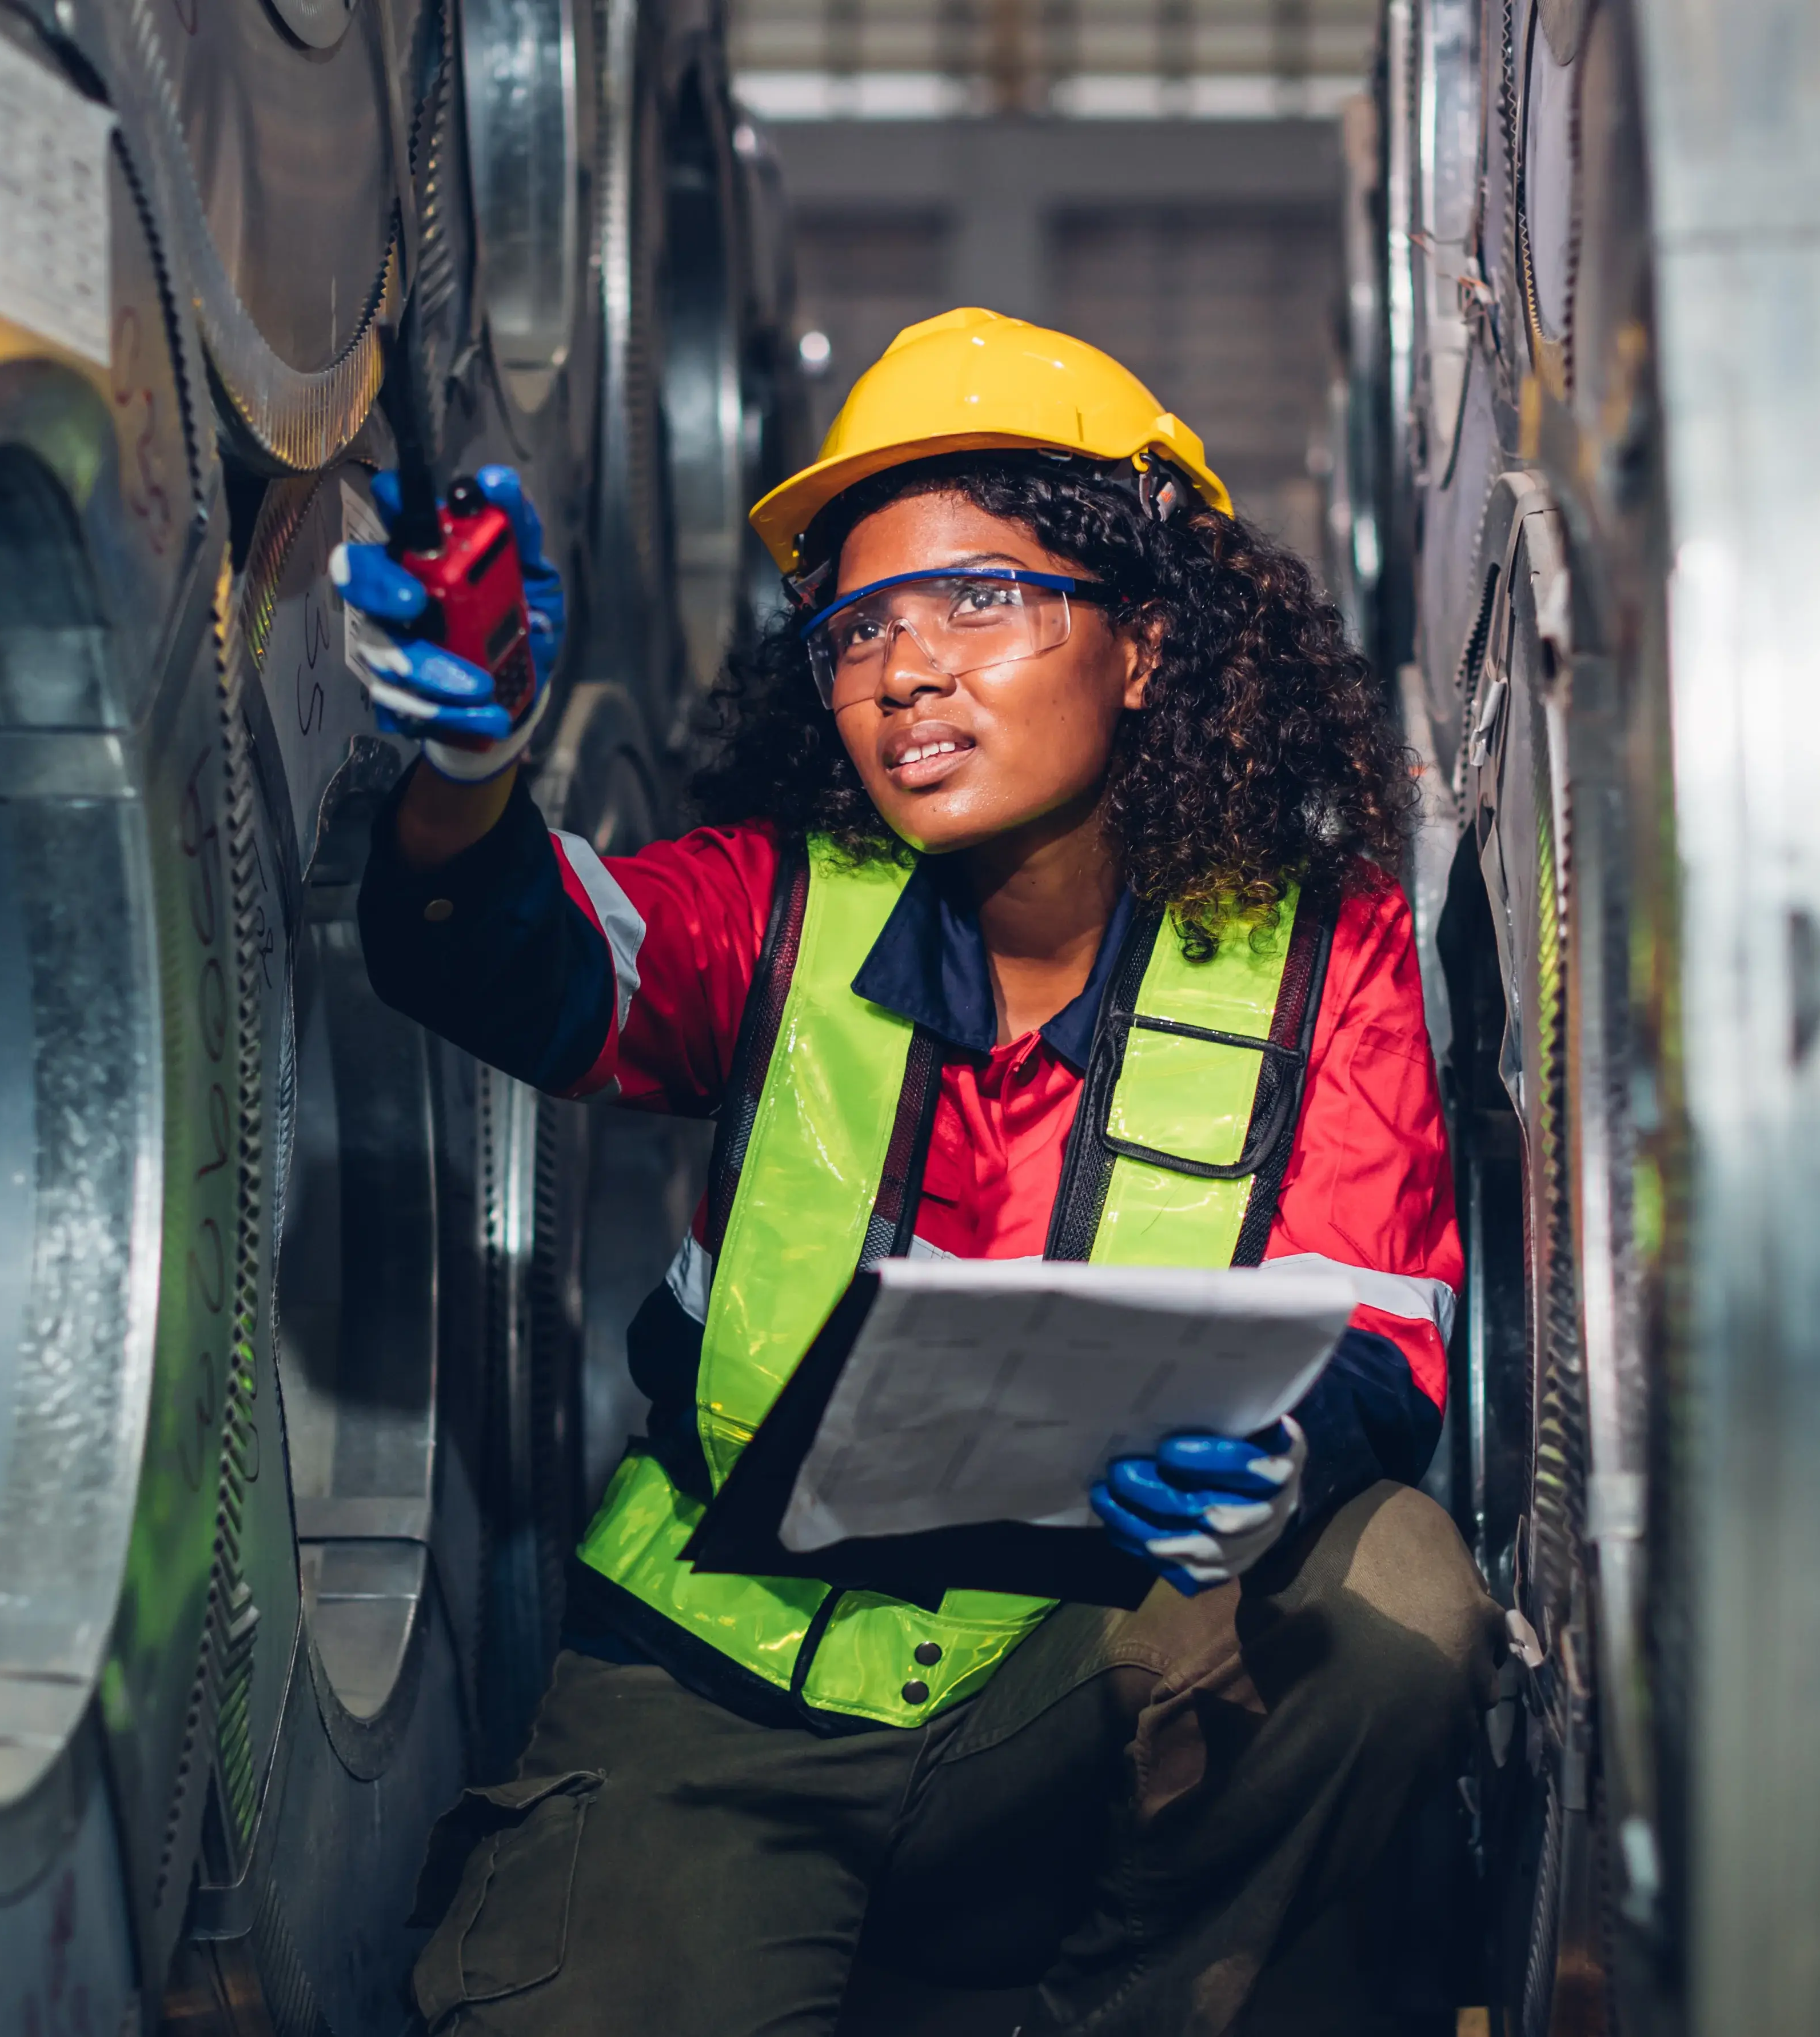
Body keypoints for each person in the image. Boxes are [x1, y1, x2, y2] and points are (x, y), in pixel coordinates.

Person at [333, 309, 1503, 2037]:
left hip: (1069, 1681)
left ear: (1145, 648)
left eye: (983, 600)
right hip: (720, 1686)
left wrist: (1277, 1458)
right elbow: (528, 956)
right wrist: (469, 773)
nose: (907, 667)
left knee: (1392, 1588)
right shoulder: (779, 906)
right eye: (861, 621)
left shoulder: (1326, 960)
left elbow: (1384, 1323)